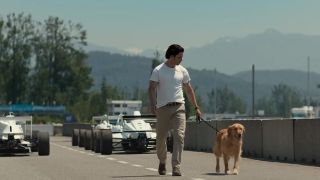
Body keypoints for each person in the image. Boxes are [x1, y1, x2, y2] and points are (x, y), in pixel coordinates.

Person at [148, 44, 202, 176]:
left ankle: (176, 167)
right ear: (171, 56)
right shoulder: (158, 70)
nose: (181, 59)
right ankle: (162, 161)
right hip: (162, 108)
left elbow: (189, 90)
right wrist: (153, 104)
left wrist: (196, 107)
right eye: (179, 57)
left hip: (179, 107)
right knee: (161, 139)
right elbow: (151, 88)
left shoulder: (182, 71)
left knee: (179, 135)